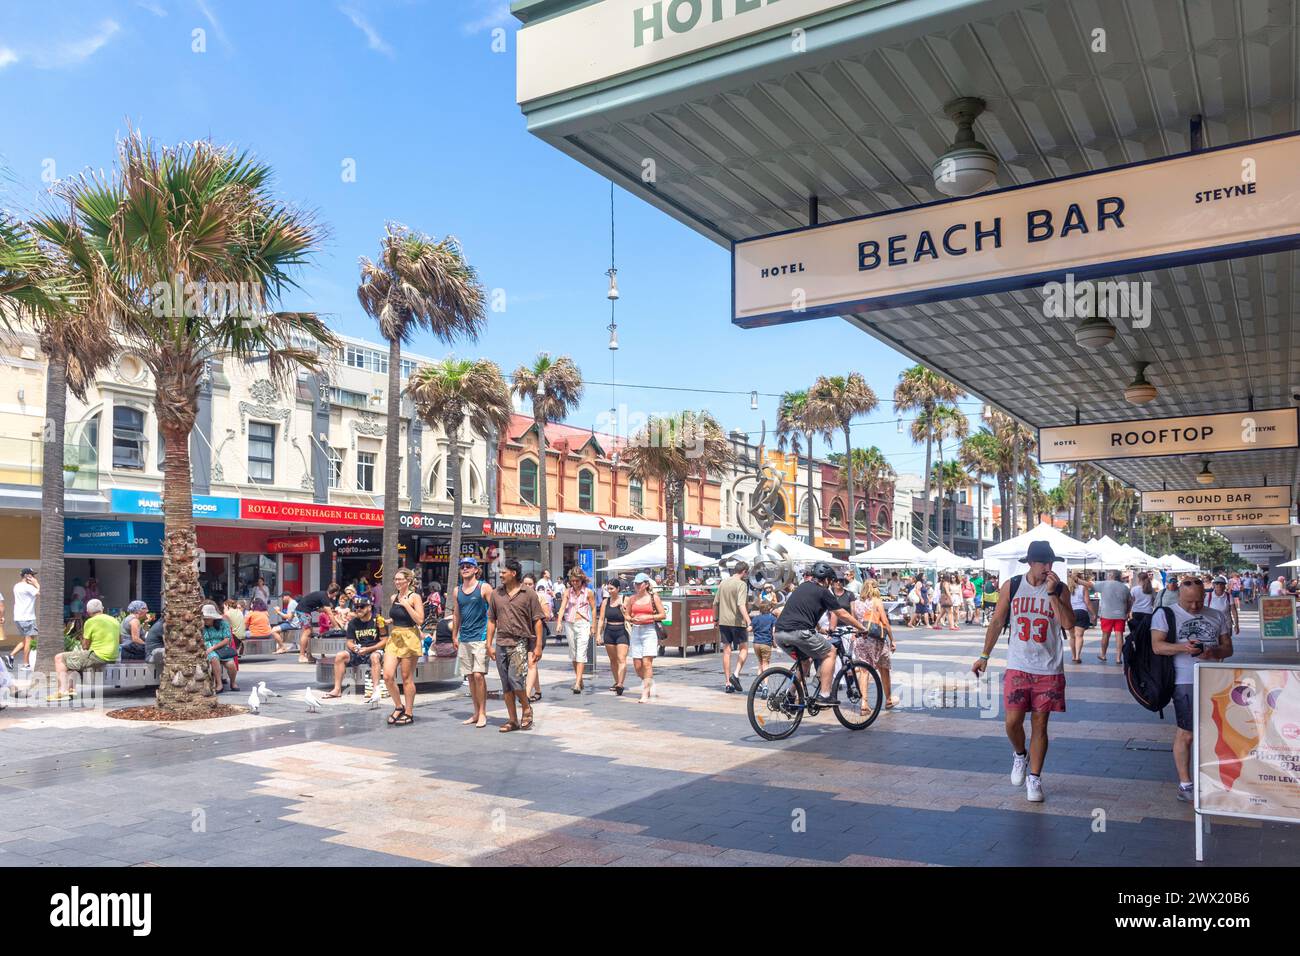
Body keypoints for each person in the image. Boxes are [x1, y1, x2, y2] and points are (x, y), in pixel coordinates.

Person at [972, 541, 1074, 803]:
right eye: (1043, 563)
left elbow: (1068, 623)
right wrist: (984, 656)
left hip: (1049, 668)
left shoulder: (1060, 588)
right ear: (1030, 563)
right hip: (1018, 665)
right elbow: (996, 621)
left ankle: (1035, 778)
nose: (1047, 568)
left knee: (1040, 724)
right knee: (1012, 722)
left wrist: (1052, 594)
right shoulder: (1013, 585)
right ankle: (1020, 754)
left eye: (1051, 563)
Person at [1151, 578, 1234, 802]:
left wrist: (1213, 652)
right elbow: (1157, 646)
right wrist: (1184, 648)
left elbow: (1228, 649)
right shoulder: (1165, 613)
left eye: (1199, 601)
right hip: (1184, 679)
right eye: (1190, 602)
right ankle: (1185, 783)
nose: (1195, 606)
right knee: (1187, 732)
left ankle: (1211, 778)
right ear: (1179, 595)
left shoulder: (1216, 615)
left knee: (1214, 732)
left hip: (1214, 679)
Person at [773, 562, 867, 704]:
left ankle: (790, 695)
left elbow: (804, 611)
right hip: (799, 632)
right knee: (830, 652)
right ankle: (824, 695)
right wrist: (861, 628)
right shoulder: (824, 592)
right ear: (828, 580)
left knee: (805, 662)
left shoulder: (802, 587)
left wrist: (819, 629)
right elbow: (842, 614)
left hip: (780, 633)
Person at [487, 558, 543, 731]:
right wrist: (489, 644)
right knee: (506, 684)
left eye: (504, 572)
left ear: (513, 573)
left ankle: (526, 708)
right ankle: (512, 720)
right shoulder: (496, 594)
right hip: (501, 642)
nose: (501, 575)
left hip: (520, 641)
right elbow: (491, 620)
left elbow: (537, 621)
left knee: (516, 680)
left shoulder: (529, 594)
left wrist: (538, 645)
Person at [49, 598, 118, 701]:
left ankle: (62, 691)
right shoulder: (114, 620)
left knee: (59, 658)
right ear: (102, 609)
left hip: (98, 656)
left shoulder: (90, 622)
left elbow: (85, 646)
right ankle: (70, 689)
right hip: (113, 656)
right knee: (73, 659)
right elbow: (120, 640)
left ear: (88, 611)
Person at [452, 557, 492, 727]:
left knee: (478, 675)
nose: (465, 568)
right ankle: (475, 712)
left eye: (469, 566)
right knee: (470, 676)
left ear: (476, 569)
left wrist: (490, 638)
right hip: (464, 638)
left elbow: (493, 612)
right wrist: (454, 635)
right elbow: (456, 614)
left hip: (481, 638)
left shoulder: (484, 587)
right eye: (462, 566)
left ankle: (483, 712)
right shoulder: (457, 590)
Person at [323, 595, 388, 700]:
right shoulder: (353, 623)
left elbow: (385, 641)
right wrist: (354, 648)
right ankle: (337, 689)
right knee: (340, 655)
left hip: (374, 650)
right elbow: (349, 642)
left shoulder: (378, 620)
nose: (358, 609)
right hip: (359, 651)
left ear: (369, 607)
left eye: (361, 606)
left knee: (375, 657)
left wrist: (368, 649)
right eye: (356, 607)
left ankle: (376, 690)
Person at [381, 569, 423, 726]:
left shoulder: (414, 597)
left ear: (408, 581)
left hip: (409, 638)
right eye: (395, 579)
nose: (397, 582)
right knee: (387, 676)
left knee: (406, 678)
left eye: (400, 579)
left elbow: (419, 620)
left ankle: (409, 712)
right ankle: (399, 706)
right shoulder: (394, 597)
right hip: (395, 637)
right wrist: (390, 621)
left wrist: (407, 605)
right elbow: (399, 616)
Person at [852, 579, 898, 708]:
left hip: (861, 639)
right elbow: (885, 622)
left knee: (864, 670)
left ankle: (864, 703)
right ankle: (888, 700)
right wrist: (892, 639)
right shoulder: (876, 602)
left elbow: (854, 621)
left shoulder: (856, 603)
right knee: (884, 668)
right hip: (876, 640)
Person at [625, 572, 666, 702]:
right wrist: (632, 619)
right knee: (637, 665)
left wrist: (647, 617)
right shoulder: (632, 598)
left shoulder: (654, 598)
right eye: (635, 584)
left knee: (647, 662)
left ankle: (645, 691)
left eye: (639, 583)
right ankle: (648, 682)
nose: (636, 586)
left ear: (646, 584)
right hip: (636, 630)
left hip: (649, 630)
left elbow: (662, 615)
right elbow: (626, 615)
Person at [556, 568, 596, 694]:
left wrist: (593, 625)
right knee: (573, 653)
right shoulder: (568, 592)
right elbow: (562, 607)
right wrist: (559, 622)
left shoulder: (588, 592)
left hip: (583, 623)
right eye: (572, 581)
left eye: (577, 581)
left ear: (581, 580)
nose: (574, 583)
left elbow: (594, 609)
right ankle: (580, 678)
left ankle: (577, 683)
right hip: (570, 623)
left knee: (581, 652)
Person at [713, 561, 752, 693]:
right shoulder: (741, 584)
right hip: (737, 622)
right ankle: (735, 674)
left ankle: (727, 683)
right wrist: (748, 621)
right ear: (744, 571)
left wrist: (715, 618)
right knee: (744, 648)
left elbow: (715, 603)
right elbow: (741, 604)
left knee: (726, 651)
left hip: (723, 621)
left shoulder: (723, 583)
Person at [595, 580, 629, 695]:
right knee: (613, 660)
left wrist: (623, 611)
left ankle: (620, 683)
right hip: (609, 631)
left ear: (618, 588)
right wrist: (598, 634)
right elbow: (601, 619)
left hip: (622, 631)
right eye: (608, 589)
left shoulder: (625, 600)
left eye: (612, 589)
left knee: (621, 658)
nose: (609, 591)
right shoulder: (606, 601)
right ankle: (616, 682)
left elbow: (630, 617)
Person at [521, 574, 549, 702]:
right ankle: (538, 691)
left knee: (531, 662)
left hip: (538, 631)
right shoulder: (519, 597)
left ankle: (526, 694)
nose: (527, 586)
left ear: (534, 585)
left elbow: (547, 615)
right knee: (532, 663)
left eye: (530, 584)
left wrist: (535, 614)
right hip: (525, 632)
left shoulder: (541, 597)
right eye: (525, 584)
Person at [200, 604, 239, 692]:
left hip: (221, 647)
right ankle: (219, 683)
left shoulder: (223, 624)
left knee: (231, 664)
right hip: (208, 648)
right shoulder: (201, 626)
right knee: (214, 658)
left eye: (207, 618)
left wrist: (214, 647)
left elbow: (226, 639)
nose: (205, 620)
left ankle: (233, 682)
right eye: (204, 618)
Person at [1096, 570, 1132, 664]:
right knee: (1119, 636)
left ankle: (1103, 655)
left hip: (1107, 614)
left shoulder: (1104, 584)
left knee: (1105, 635)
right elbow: (1130, 601)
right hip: (1120, 614)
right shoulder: (1125, 587)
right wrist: (1127, 611)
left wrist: (1077, 579)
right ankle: (1118, 658)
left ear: (1111, 576)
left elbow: (1089, 585)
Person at [8, 568, 38, 670]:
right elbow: (42, 593)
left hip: (18, 617)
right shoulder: (28, 587)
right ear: (27, 576)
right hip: (27, 618)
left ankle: (11, 655)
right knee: (29, 640)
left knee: (27, 639)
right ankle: (26, 664)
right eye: (32, 575)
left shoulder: (17, 586)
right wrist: (36, 583)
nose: (34, 577)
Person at [1066, 570, 1095, 664]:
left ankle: (1073, 656)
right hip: (1081, 612)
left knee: (1072, 636)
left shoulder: (1067, 588)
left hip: (1070, 612)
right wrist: (1093, 613)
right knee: (1079, 636)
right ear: (1080, 578)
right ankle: (1078, 656)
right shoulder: (1083, 587)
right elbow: (1087, 602)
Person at [749, 600, 777, 675]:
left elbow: (749, 629)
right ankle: (765, 684)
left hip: (756, 644)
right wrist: (774, 643)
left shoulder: (756, 618)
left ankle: (759, 682)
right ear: (770, 609)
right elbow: (773, 632)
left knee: (760, 662)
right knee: (765, 663)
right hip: (766, 643)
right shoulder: (772, 618)